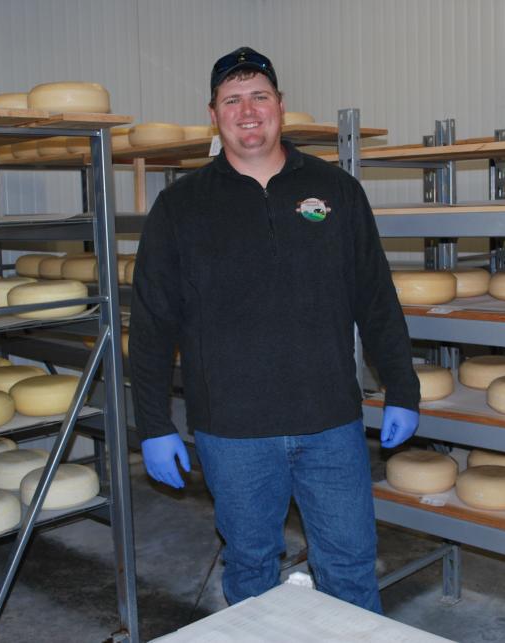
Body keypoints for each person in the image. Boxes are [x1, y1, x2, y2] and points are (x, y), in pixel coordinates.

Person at [127, 46, 420, 613]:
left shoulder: (336, 191)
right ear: (213, 114)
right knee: (251, 568)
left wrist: (402, 388)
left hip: (330, 423)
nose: (248, 110)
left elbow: (376, 298)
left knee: (350, 567)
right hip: (233, 431)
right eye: (232, 99)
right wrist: (155, 424)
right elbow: (153, 324)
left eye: (259, 96)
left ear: (281, 106)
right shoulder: (180, 206)